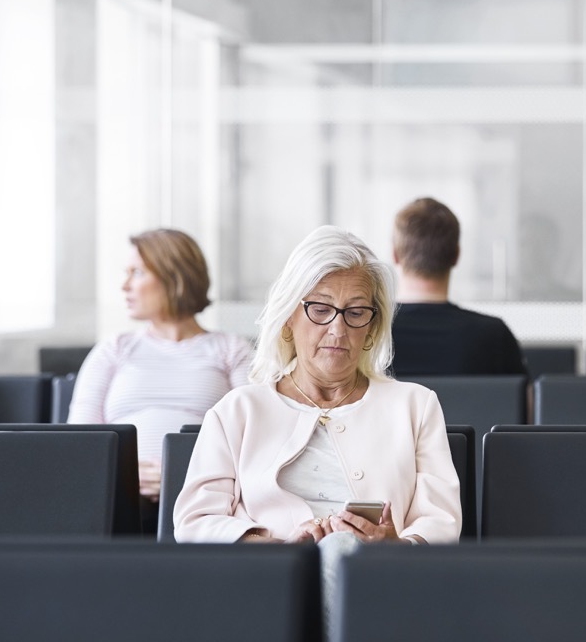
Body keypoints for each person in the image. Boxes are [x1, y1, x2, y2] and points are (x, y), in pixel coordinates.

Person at [174, 224, 461, 546]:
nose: (338, 329)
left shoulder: (415, 405)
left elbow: (440, 521)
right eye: (321, 310)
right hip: (273, 582)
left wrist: (396, 548)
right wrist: (281, 551)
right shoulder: (238, 410)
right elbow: (194, 522)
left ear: (372, 327)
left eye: (355, 312)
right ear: (288, 317)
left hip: (376, 578)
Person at [68, 228, 253, 513]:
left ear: (174, 278)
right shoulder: (114, 349)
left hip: (208, 495)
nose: (125, 285)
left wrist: (179, 473)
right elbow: (78, 444)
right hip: (118, 496)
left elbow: (255, 440)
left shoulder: (231, 350)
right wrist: (125, 473)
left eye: (137, 273)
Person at [390, 197, 528, 376]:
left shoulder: (369, 332)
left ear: (395, 255)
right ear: (456, 255)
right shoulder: (493, 336)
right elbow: (527, 402)